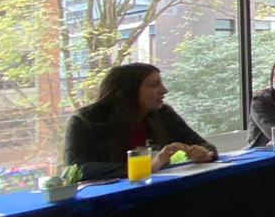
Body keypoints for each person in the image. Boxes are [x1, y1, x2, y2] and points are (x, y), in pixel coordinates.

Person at [64, 63, 217, 180]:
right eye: (154, 85)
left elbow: (205, 145)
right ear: (127, 91)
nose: (164, 90)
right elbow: (78, 169)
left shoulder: (163, 113)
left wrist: (204, 154)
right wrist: (147, 166)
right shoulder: (84, 120)